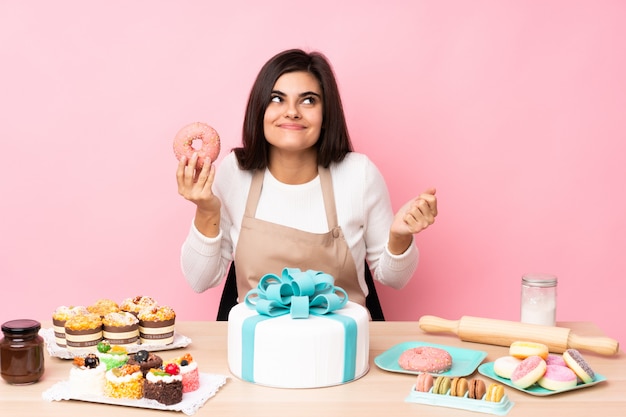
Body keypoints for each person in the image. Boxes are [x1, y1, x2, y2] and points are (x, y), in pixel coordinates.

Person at [176, 49, 437, 317]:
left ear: (326, 115)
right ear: (260, 110)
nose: (291, 112)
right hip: (257, 347)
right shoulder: (236, 172)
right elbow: (200, 281)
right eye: (277, 99)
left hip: (343, 346)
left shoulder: (358, 173)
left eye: (308, 101)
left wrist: (399, 237)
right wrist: (206, 211)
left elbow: (395, 279)